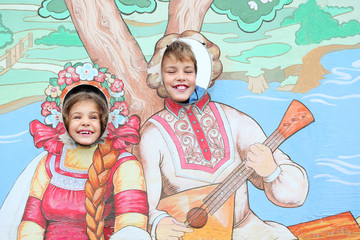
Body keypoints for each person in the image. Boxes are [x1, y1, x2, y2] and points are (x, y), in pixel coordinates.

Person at [134, 36, 308, 239]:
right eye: (171, 71)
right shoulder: (152, 135)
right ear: (160, 76)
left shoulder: (235, 120)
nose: (180, 78)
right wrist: (157, 223)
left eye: (189, 71)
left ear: (204, 74)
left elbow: (295, 196)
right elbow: (142, 201)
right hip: (188, 235)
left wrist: (270, 171)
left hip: (245, 229)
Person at [17, 62, 150, 240]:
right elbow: (32, 220)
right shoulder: (50, 164)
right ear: (64, 122)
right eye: (77, 117)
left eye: (93, 117)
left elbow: (132, 224)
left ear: (106, 121)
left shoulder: (124, 164)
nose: (85, 123)